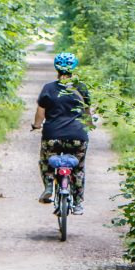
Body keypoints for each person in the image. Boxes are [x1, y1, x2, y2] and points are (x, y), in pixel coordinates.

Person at [31, 52, 91, 214]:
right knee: (78, 168)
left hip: (53, 136)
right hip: (77, 137)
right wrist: (90, 126)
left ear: (56, 68)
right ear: (73, 68)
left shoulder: (48, 88)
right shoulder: (81, 88)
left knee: (46, 162)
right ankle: (78, 203)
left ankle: (49, 185)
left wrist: (36, 125)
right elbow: (87, 113)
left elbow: (40, 113)